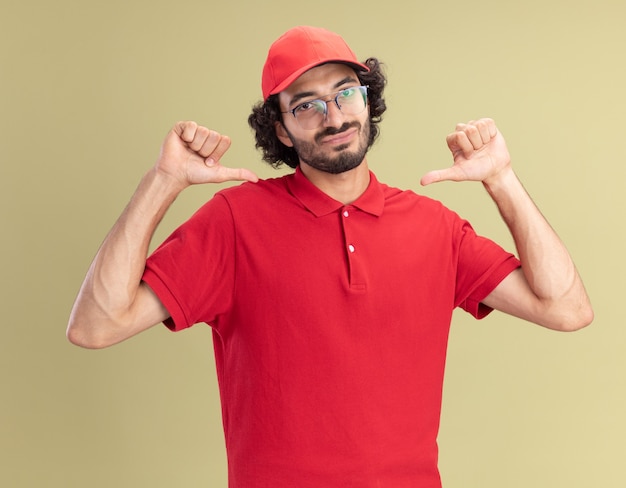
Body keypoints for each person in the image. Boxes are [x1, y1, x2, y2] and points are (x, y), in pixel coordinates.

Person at [67, 25, 593, 488]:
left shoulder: (435, 228)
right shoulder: (234, 222)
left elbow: (565, 309)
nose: (334, 116)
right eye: (306, 105)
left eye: (347, 93)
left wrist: (501, 180)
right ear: (279, 128)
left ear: (369, 100)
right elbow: (96, 324)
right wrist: (163, 182)